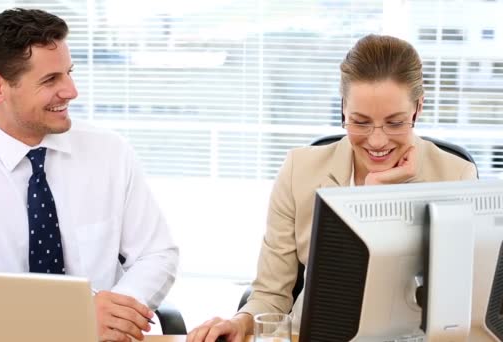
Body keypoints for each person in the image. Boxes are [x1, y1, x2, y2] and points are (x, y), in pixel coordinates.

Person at [0, 8, 178, 342]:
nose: (71, 91)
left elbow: (156, 254)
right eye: (50, 80)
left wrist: (120, 312)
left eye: (69, 73)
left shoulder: (109, 153)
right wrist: (69, 320)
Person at [186, 34, 477, 342]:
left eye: (395, 123)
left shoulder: (455, 176)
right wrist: (241, 323)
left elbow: (459, 309)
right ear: (343, 108)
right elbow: (270, 295)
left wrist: (380, 195)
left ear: (418, 108)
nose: (377, 141)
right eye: (360, 122)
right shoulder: (300, 171)